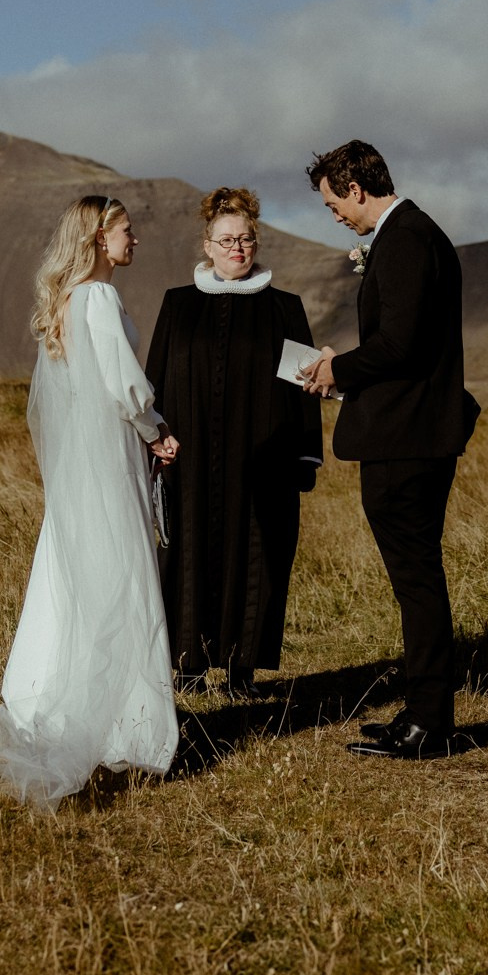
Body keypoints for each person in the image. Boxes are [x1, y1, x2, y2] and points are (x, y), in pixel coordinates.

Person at [0, 195, 182, 807]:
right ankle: (128, 731)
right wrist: (156, 430)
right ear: (97, 237)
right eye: (126, 232)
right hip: (111, 458)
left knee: (71, 575)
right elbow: (123, 384)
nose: (134, 241)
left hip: (83, 465)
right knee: (122, 575)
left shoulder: (69, 300)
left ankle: (43, 700)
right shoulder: (100, 297)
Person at [299, 141, 479, 760]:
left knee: (416, 579)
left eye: (331, 205)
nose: (335, 216)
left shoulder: (404, 239)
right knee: (416, 577)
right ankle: (422, 710)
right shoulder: (414, 233)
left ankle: (429, 723)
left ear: (355, 188)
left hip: (406, 440)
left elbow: (399, 346)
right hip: (414, 433)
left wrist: (335, 372)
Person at [144, 187, 324, 694]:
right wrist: (150, 439)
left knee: (257, 556)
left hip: (262, 464)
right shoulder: (177, 306)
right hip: (189, 461)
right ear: (207, 244)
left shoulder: (285, 308)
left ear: (256, 241)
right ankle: (189, 666)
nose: (237, 249)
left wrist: (304, 458)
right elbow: (153, 380)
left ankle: (242, 670)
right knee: (186, 553)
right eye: (226, 241)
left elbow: (305, 388)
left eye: (245, 239)